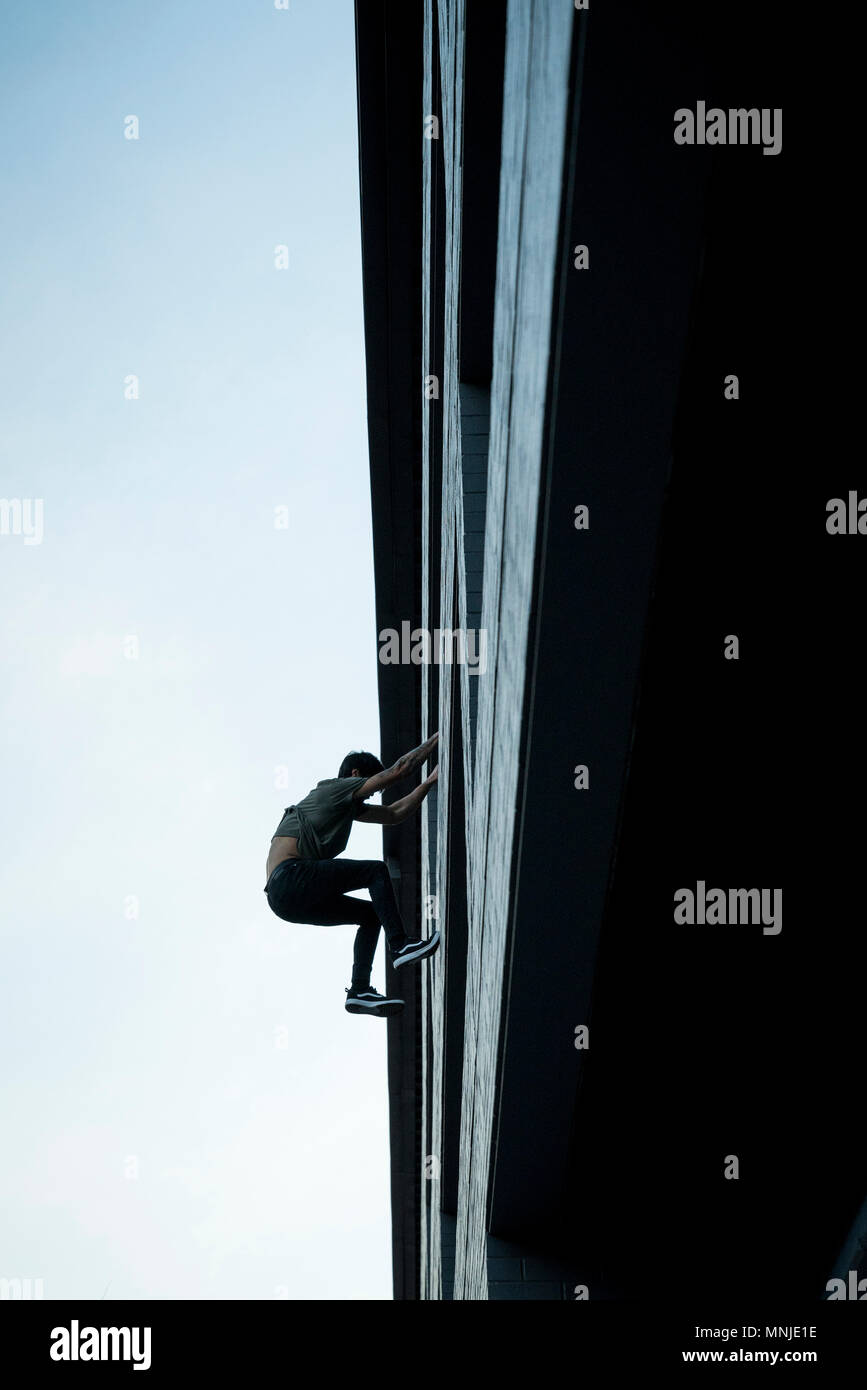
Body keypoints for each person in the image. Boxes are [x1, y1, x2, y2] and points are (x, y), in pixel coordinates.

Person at [264, 733, 440, 1017]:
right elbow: (398, 771)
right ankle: (400, 945)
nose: (369, 795)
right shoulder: (336, 789)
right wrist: (438, 738)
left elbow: (394, 813)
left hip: (285, 901)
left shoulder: (344, 807)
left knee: (371, 916)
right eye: (369, 787)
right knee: (374, 871)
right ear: (356, 775)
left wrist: (430, 783)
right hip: (289, 878)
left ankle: (359, 990)